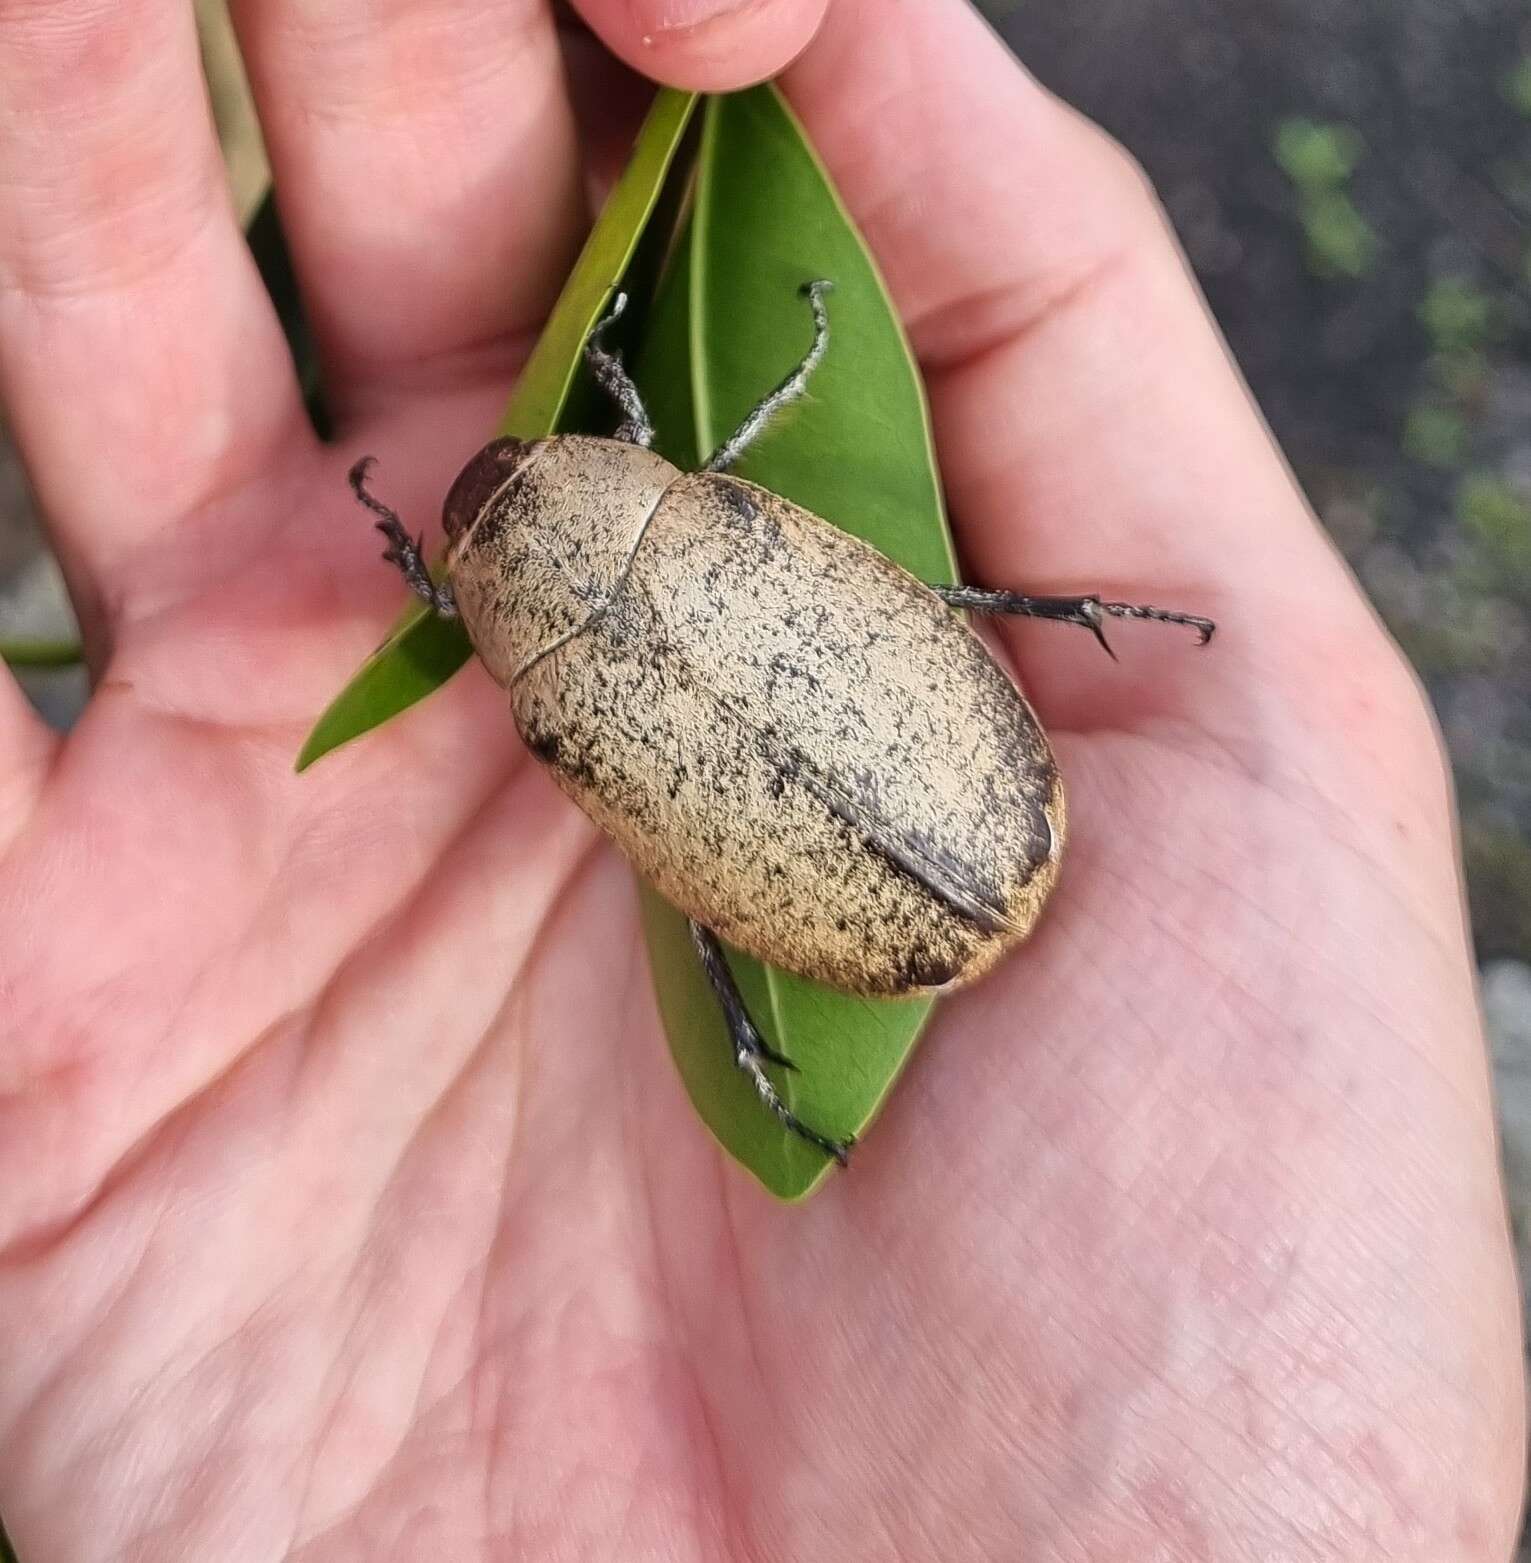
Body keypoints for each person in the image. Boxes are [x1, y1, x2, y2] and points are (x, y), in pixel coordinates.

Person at [0, 0, 1521, 1555]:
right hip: (955, 805)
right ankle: (797, 1017)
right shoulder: (677, 515)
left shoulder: (558, 711)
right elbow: (789, 452)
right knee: (933, 621)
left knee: (823, 744)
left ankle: (768, 1056)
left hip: (933, 831)